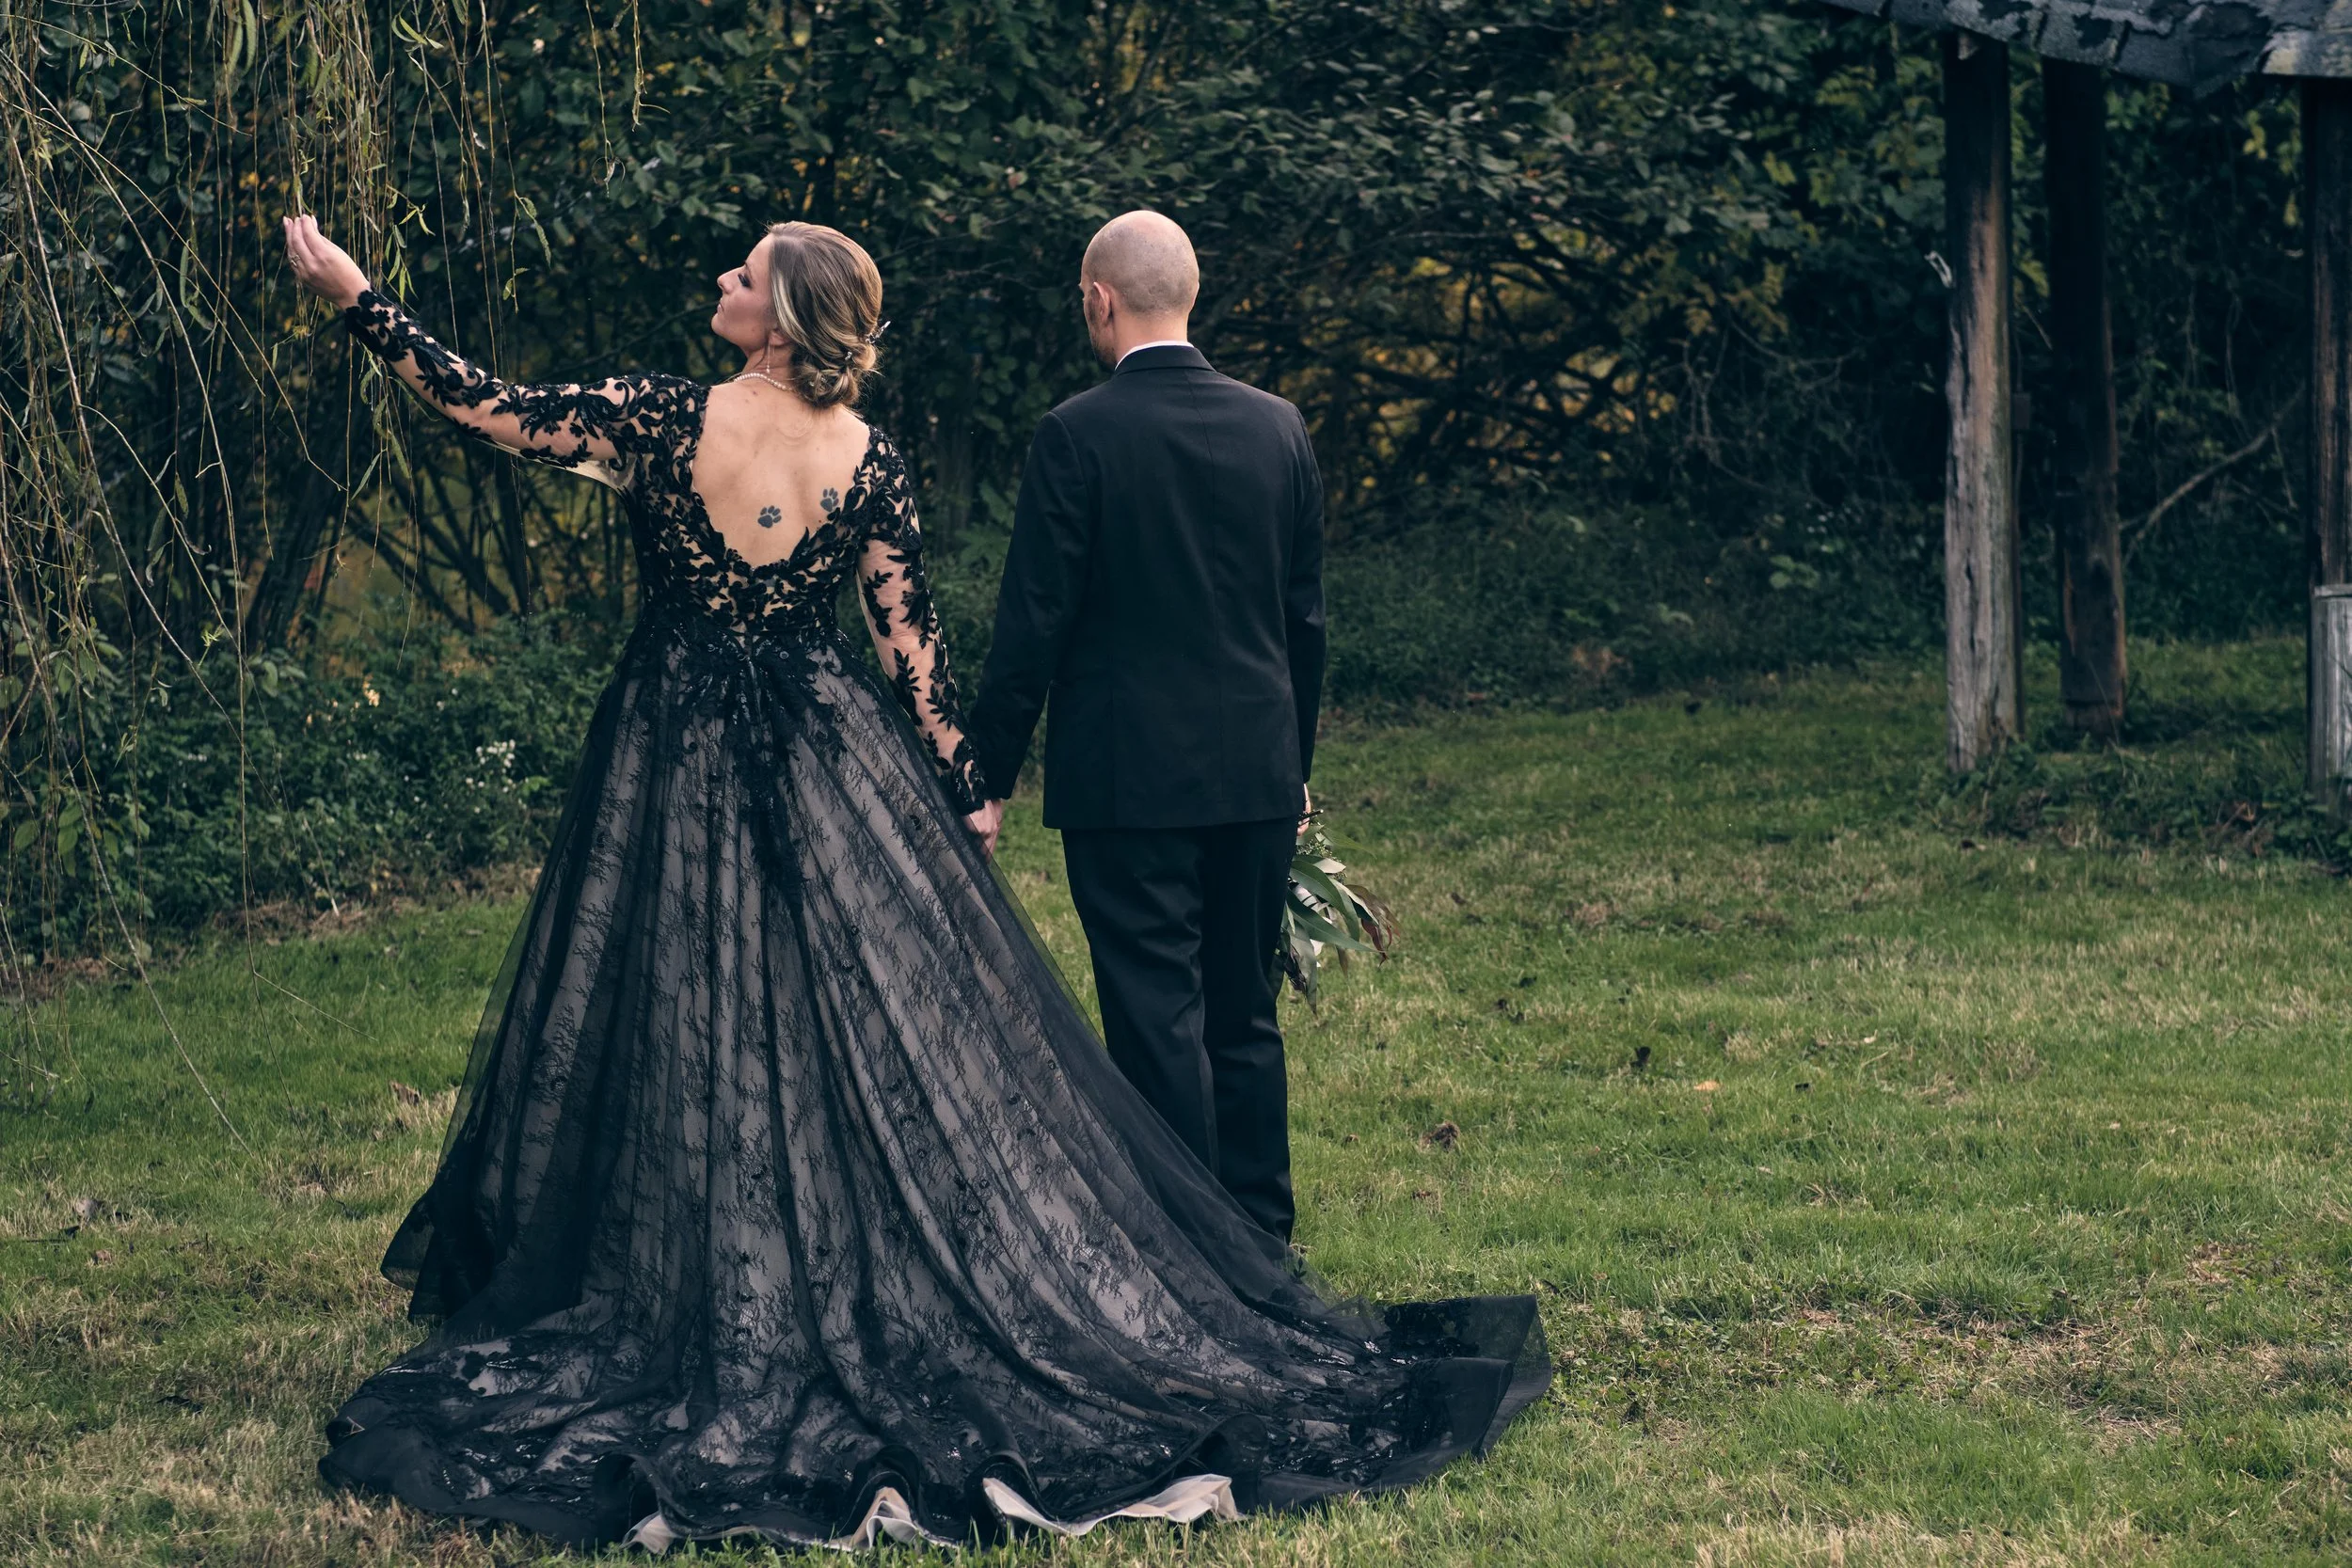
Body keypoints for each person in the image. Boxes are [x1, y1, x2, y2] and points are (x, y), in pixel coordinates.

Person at [283, 214, 1545, 1553]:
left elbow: (480, 405)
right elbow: (912, 651)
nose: (721, 278)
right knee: (834, 1022)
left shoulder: (653, 416)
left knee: (694, 1011)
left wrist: (358, 295)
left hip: (678, 752)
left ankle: (718, 1273)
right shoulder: (867, 457)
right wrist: (964, 784)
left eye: (744, 271)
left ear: (781, 314)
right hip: (828, 756)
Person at [967, 212, 1322, 1243]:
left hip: (1128, 781)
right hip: (1256, 770)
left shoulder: (1076, 434)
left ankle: (1189, 1247)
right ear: (1190, 294)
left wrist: (985, 774)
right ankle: (1263, 1236)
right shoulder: (1279, 427)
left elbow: (1033, 623)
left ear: (1099, 300)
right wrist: (1295, 764)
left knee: (1156, 1013)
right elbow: (1303, 619)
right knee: (1243, 1008)